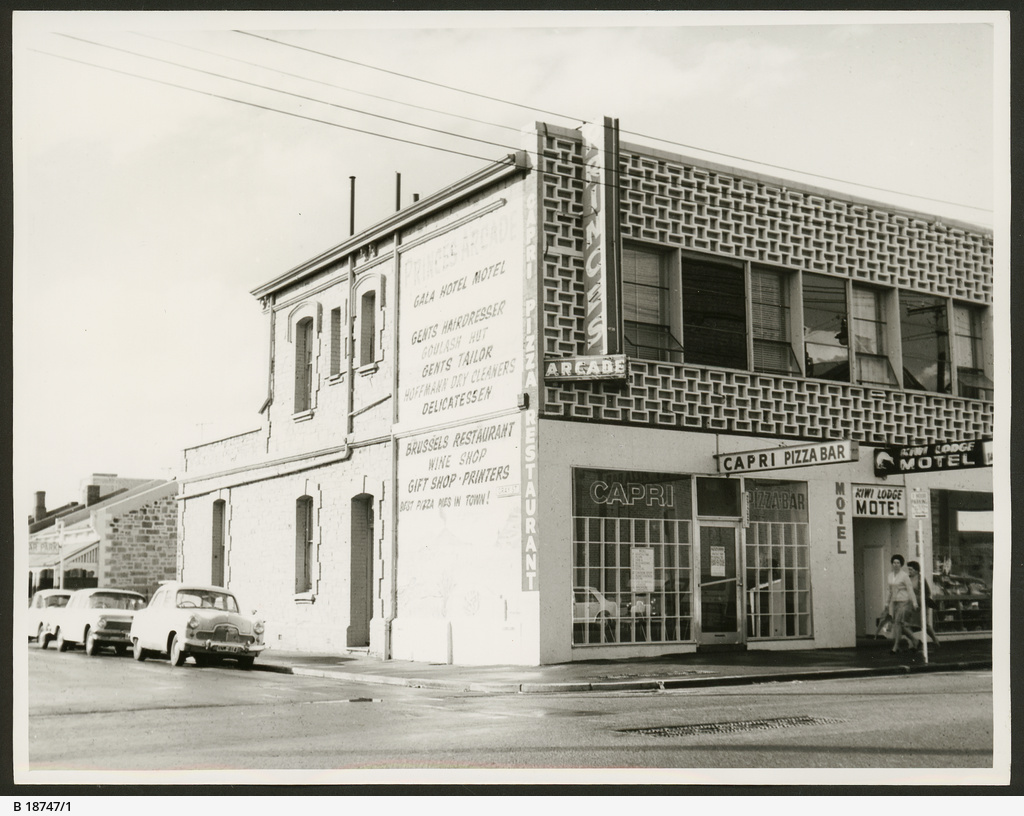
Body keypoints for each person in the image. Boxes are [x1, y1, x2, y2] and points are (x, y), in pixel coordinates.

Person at [886, 554, 918, 654]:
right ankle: (914, 640)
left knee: (897, 623)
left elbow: (910, 589)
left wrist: (914, 602)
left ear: (901, 564)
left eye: (898, 563)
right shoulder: (890, 575)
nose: (896, 565)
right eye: (894, 563)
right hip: (894, 602)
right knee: (900, 625)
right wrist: (887, 602)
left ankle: (895, 647)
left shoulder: (904, 576)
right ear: (892, 564)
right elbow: (890, 590)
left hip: (904, 601)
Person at [906, 560, 941, 648]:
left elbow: (928, 592)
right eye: (908, 569)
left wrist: (922, 600)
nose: (909, 571)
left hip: (921, 605)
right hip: (910, 604)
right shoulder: (907, 578)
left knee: (924, 624)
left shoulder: (921, 579)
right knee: (908, 624)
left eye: (911, 570)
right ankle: (912, 644)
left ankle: (935, 639)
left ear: (917, 570)